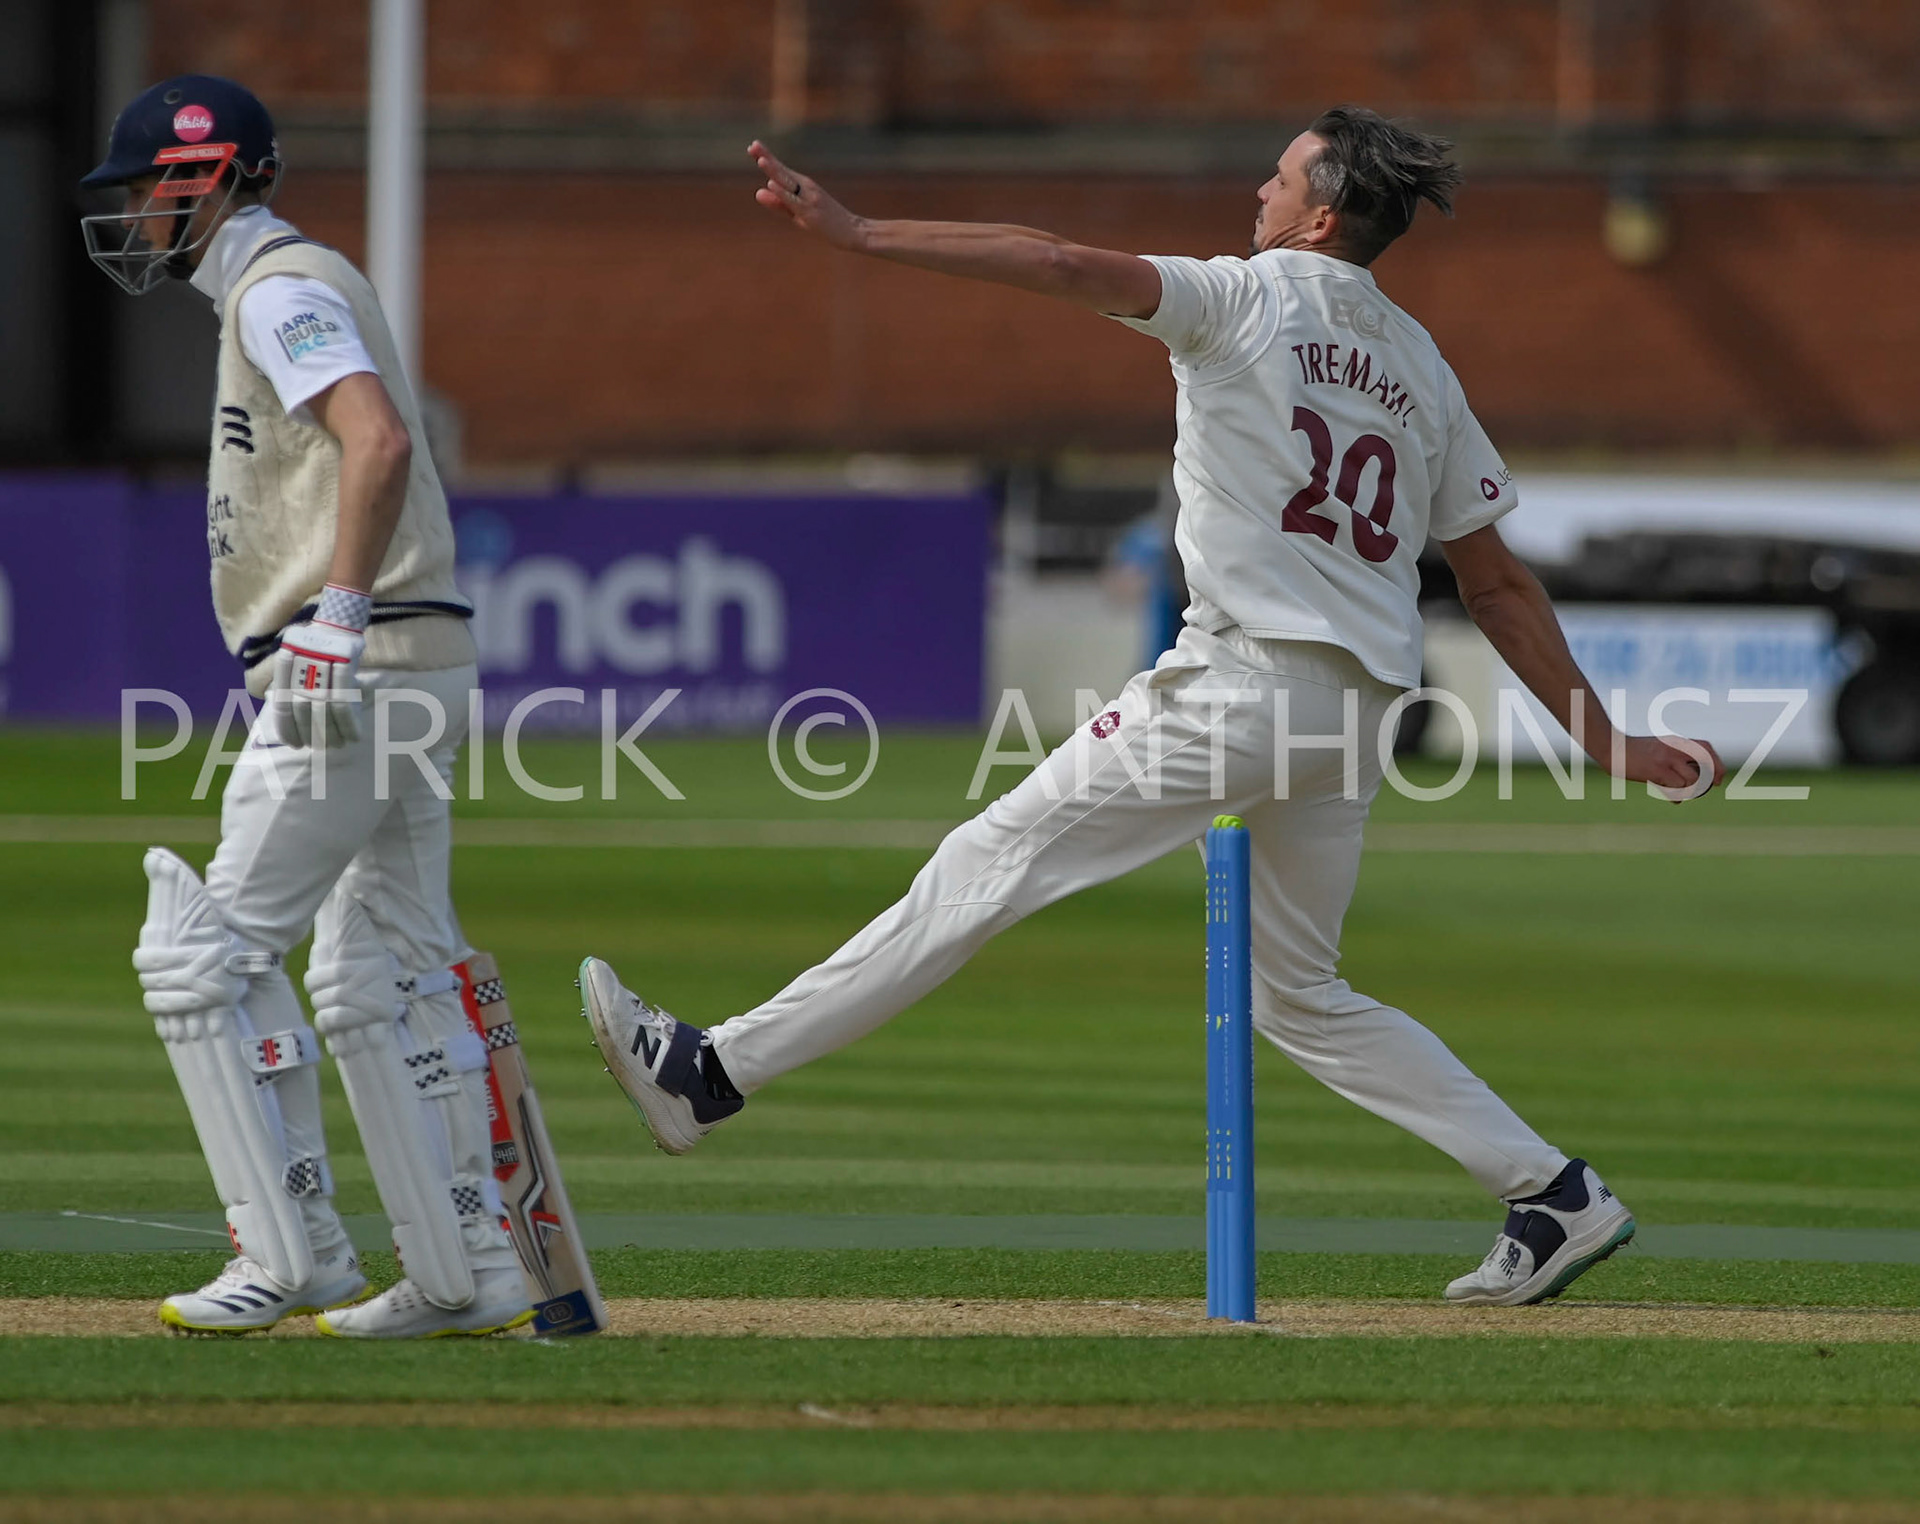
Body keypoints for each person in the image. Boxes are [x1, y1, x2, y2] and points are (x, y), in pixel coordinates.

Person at [580, 106, 1726, 1307]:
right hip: (1363, 708)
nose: (1260, 188)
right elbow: (1495, 579)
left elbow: (1066, 264)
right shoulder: (1420, 364)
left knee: (993, 856)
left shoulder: (1240, 297)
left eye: (1280, 176)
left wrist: (862, 233)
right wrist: (1609, 740)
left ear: (1321, 214)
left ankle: (710, 1072)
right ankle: (1554, 1195)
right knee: (1299, 994)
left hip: (1243, 683)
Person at [83, 75, 529, 1337]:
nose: (129, 221)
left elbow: (376, 438)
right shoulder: (286, 286)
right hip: (413, 659)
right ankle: (472, 1272)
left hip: (358, 664)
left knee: (199, 957)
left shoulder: (279, 291)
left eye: (141, 193)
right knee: (385, 965)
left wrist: (335, 612)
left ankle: (288, 1255)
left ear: (201, 179)